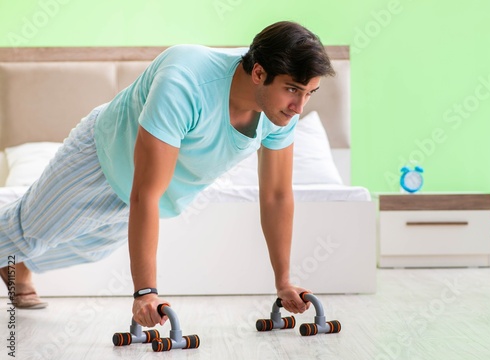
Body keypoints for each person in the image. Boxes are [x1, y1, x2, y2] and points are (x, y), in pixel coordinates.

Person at [0, 21, 335, 325]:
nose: (299, 108)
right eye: (292, 90)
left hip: (150, 196)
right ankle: (16, 253)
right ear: (259, 74)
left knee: (90, 248)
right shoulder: (186, 79)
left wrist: (283, 281)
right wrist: (145, 292)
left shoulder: (278, 113)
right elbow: (145, 191)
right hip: (102, 159)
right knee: (29, 231)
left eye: (309, 94)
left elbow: (276, 196)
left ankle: (17, 264)